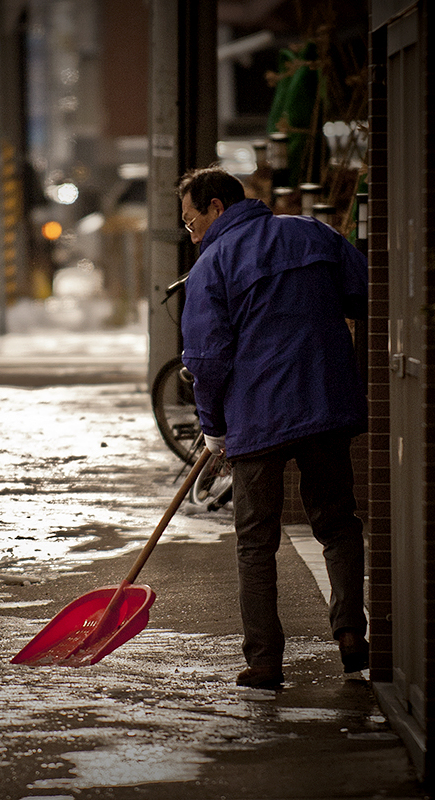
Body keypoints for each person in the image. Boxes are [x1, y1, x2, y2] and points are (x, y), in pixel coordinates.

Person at [177, 166, 369, 689]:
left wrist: (213, 427)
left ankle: (265, 661)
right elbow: (365, 293)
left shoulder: (213, 264)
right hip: (326, 405)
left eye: (192, 221)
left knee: (256, 540)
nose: (192, 234)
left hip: (257, 418)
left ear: (217, 208)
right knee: (337, 522)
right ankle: (352, 633)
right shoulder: (314, 233)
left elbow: (207, 358)